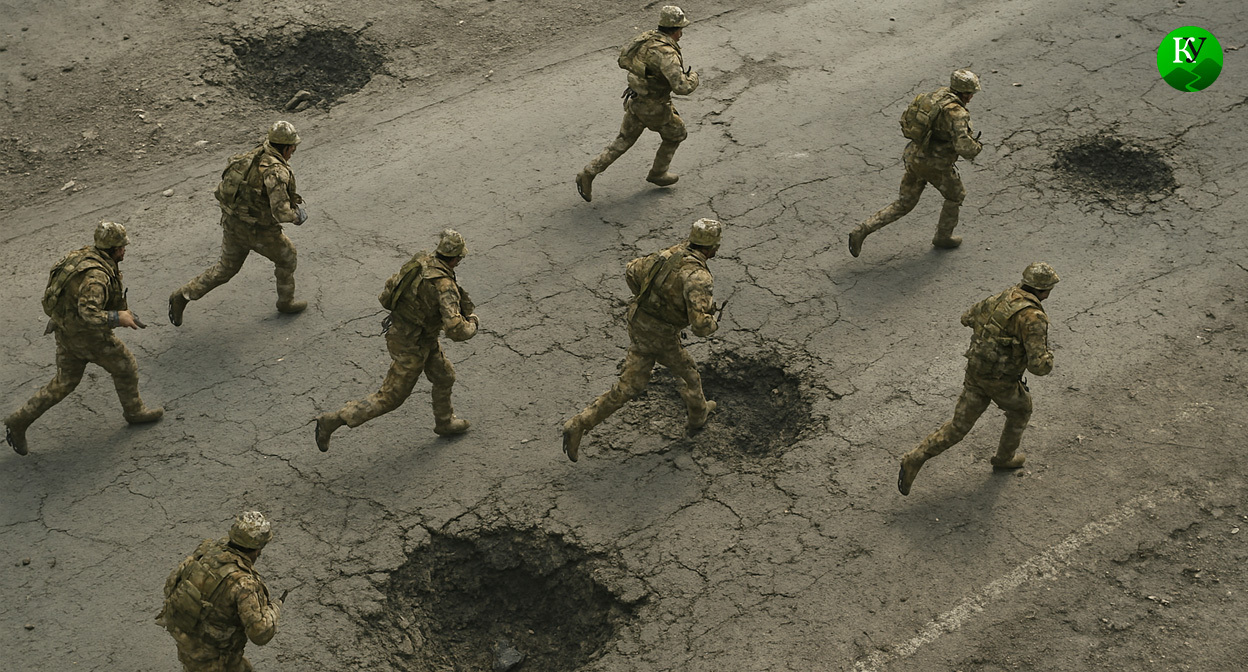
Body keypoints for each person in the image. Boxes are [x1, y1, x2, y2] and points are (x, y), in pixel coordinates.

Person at [562, 218, 723, 461]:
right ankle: (698, 417)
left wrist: (652, 300)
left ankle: (579, 423)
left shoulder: (671, 253)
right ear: (712, 248)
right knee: (686, 375)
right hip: (661, 336)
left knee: (633, 383)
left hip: (639, 321)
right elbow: (700, 327)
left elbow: (631, 270)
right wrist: (713, 321)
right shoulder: (698, 277)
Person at [898, 262, 1059, 496]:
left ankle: (915, 458)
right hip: (1001, 381)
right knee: (1021, 410)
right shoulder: (1033, 317)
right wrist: (1048, 356)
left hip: (976, 371)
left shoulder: (1002, 297)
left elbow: (967, 317)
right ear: (1043, 290)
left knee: (958, 427)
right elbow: (1039, 367)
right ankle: (1004, 458)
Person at [4, 221, 162, 455]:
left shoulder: (82, 256)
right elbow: (89, 312)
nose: (124, 250)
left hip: (65, 332)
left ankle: (19, 420)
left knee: (64, 383)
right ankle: (134, 411)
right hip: (89, 337)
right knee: (125, 366)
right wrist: (118, 317)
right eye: (122, 247)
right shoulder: (97, 277)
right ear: (113, 249)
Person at [315, 229, 478, 451]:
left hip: (416, 334)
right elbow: (456, 330)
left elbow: (389, 292)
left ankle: (444, 421)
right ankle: (333, 420)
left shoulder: (422, 262)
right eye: (459, 258)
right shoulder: (444, 285)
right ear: (454, 258)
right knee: (390, 397)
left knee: (444, 376)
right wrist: (473, 323)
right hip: (411, 344)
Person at [169, 121, 309, 325]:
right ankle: (286, 302)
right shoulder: (276, 171)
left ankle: (183, 295)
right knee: (287, 257)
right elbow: (281, 212)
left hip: (234, 223)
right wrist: (297, 216)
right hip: (259, 230)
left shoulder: (252, 156)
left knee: (225, 269)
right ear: (287, 148)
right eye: (293, 148)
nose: (293, 151)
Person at [849, 69, 984, 257]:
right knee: (956, 195)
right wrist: (977, 146)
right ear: (963, 92)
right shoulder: (957, 113)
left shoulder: (935, 96)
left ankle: (862, 229)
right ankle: (943, 237)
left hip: (914, 156)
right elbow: (965, 148)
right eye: (968, 93)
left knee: (904, 203)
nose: (970, 97)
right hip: (936, 165)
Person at [574, 5, 700, 202]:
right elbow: (681, 87)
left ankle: (588, 172)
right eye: (680, 29)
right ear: (674, 29)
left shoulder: (647, 39)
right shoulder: (667, 54)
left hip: (636, 100)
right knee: (677, 134)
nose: (681, 34)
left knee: (623, 140)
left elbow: (626, 60)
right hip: (654, 108)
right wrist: (694, 78)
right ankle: (658, 173)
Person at [158, 511, 282, 672]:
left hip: (186, 637)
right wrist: (275, 608)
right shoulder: (243, 583)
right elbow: (259, 633)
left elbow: (172, 584)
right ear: (258, 549)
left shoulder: (208, 550)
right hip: (213, 656)